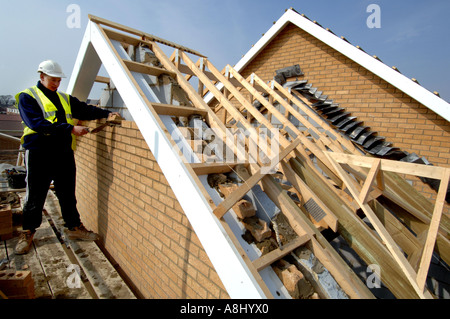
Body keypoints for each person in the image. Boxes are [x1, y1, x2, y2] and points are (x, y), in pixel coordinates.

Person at [14, 60, 119, 255]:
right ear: (41, 77)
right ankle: (27, 231)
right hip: (38, 152)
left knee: (67, 192)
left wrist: (107, 113)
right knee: (35, 194)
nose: (56, 83)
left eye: (58, 80)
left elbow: (85, 109)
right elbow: (37, 124)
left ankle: (74, 228)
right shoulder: (28, 98)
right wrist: (71, 128)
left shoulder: (64, 99)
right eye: (52, 79)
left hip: (62, 152)